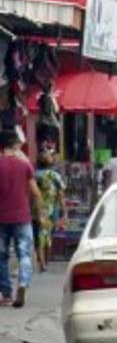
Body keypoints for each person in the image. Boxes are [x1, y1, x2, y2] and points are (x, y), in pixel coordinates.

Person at [0, 130, 43, 308]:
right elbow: (36, 193)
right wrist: (39, 214)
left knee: (1, 257)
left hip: (1, 219)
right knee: (24, 254)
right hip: (22, 216)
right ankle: (23, 285)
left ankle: (7, 294)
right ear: (15, 145)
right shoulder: (25, 166)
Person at [34, 151, 66, 273]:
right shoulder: (55, 176)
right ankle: (45, 261)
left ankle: (41, 261)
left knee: (39, 235)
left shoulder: (35, 175)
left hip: (37, 209)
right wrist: (65, 212)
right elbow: (61, 195)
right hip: (52, 209)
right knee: (48, 235)